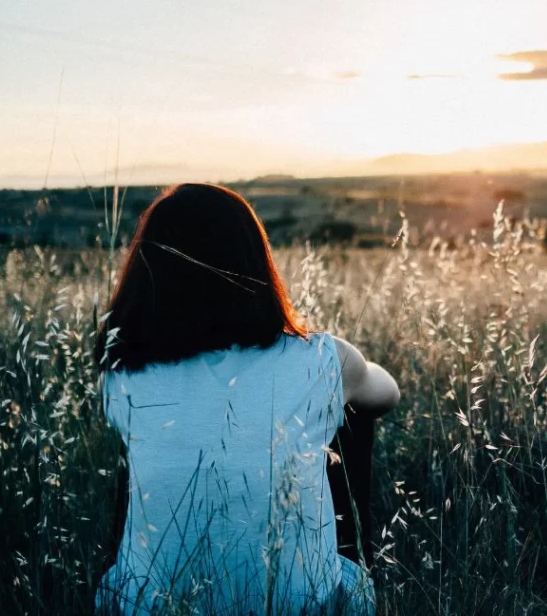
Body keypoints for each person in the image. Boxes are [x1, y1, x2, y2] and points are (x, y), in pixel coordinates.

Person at [94, 183, 399, 615]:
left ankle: (154, 572)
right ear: (255, 262)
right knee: (349, 419)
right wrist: (350, 374)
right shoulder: (321, 358)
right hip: (297, 605)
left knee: (145, 447)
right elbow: (387, 395)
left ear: (149, 271)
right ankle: (340, 569)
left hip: (154, 607)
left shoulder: (122, 370)